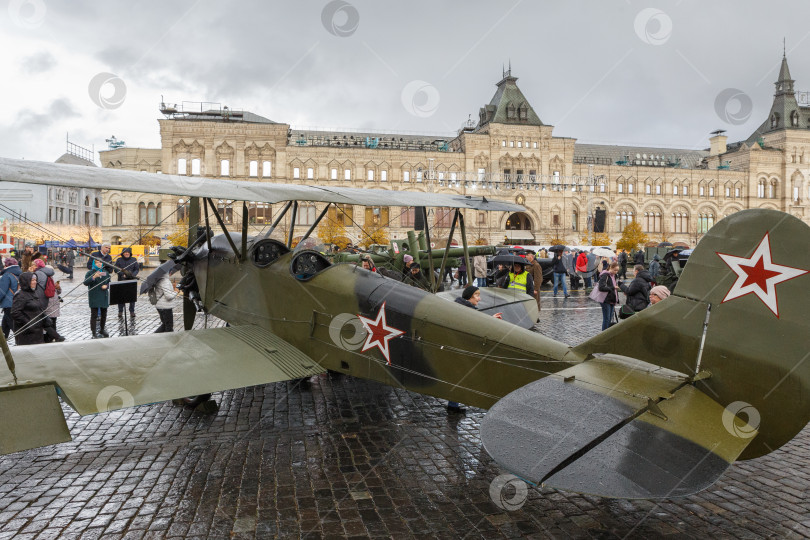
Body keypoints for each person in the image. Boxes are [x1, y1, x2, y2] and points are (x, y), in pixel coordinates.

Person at [448, 285, 503, 413]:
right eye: (477, 295)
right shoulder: (466, 310)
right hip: (461, 348)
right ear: (469, 297)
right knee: (460, 376)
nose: (479, 298)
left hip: (459, 347)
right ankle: (453, 405)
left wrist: (491, 319)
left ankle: (453, 404)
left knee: (458, 376)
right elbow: (476, 325)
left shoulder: (462, 307)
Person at [32, 259, 64, 342]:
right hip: (52, 302)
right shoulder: (49, 277)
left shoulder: (39, 275)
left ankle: (53, 337)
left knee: (48, 322)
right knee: (51, 321)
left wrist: (58, 288)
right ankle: (55, 336)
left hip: (49, 302)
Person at [11, 272, 45, 345]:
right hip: (26, 331)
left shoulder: (33, 292)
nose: (35, 282)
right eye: (32, 280)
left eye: (35, 280)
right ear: (26, 281)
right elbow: (15, 312)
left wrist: (45, 318)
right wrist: (28, 323)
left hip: (37, 330)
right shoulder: (20, 295)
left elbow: (37, 308)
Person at [84, 260, 111, 338]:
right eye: (97, 262)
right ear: (94, 264)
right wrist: (94, 277)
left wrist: (107, 286)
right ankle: (93, 332)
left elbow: (109, 282)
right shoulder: (90, 273)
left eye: (100, 262)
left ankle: (102, 329)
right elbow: (85, 282)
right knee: (94, 315)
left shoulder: (105, 272)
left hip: (104, 295)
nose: (99, 264)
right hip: (94, 295)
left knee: (104, 314)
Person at [114, 248, 140, 318]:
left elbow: (137, 269)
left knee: (132, 297)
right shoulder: (119, 260)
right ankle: (120, 311)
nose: (126, 253)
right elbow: (116, 269)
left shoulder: (134, 260)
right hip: (121, 280)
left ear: (130, 253)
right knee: (121, 297)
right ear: (123, 253)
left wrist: (132, 274)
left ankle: (132, 311)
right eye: (125, 252)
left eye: (128, 252)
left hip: (131, 280)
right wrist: (122, 274)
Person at [595, 262, 620, 331]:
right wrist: (613, 287)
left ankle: (607, 333)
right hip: (605, 299)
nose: (616, 272)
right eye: (615, 270)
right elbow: (601, 287)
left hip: (612, 299)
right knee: (607, 319)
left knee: (609, 319)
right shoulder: (605, 275)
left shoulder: (614, 276)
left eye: (617, 270)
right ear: (610, 268)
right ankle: (604, 334)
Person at [1, 258, 21, 339]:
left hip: (8, 303)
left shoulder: (7, 275)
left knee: (12, 323)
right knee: (5, 324)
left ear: (6, 265)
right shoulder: (19, 273)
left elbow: (1, 291)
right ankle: (2, 341)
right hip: (16, 301)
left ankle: (22, 339)